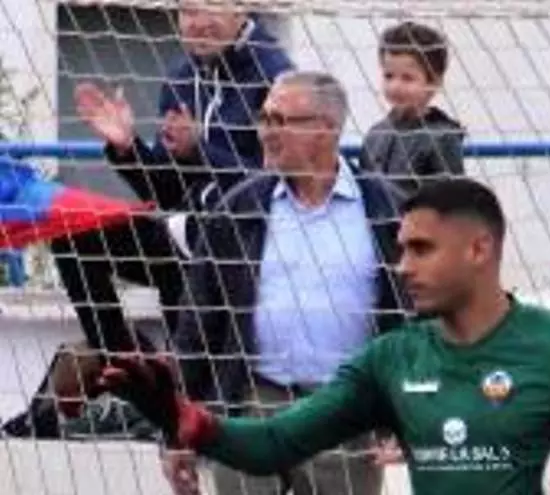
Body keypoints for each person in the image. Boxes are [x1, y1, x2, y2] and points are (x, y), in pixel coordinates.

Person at [93, 178, 550, 495]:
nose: (402, 266)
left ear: (479, 249)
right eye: (401, 249)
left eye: (422, 249)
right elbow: (275, 443)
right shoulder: (392, 358)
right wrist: (191, 421)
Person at [1, 3, 294, 439]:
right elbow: (168, 192)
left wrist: (200, 150)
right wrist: (127, 148)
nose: (197, 22)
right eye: (187, 10)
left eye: (210, 8)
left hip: (244, 246)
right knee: (76, 234)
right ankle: (127, 375)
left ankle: (179, 402)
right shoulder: (180, 76)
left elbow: (276, 184)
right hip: (186, 234)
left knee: (192, 273)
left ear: (240, 9)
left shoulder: (276, 76)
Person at [166, 70, 404, 495]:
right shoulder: (238, 208)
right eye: (264, 119)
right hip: (254, 404)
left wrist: (408, 416)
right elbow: (198, 323)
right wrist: (177, 430)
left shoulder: (386, 209)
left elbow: (416, 320)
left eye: (281, 120)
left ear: (327, 128)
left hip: (346, 412)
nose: (266, 132)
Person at [359, 21, 465, 195]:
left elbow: (451, 199)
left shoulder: (441, 138)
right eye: (389, 76)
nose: (395, 86)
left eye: (407, 78)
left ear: (434, 82)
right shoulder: (375, 134)